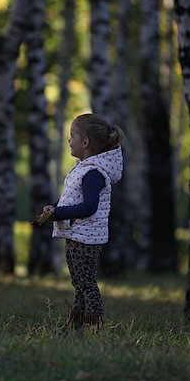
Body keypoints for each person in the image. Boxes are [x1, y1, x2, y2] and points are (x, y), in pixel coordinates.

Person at [42, 113, 124, 331]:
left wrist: (58, 214)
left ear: (85, 142)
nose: (69, 141)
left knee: (86, 283)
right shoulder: (83, 166)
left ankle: (93, 328)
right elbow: (72, 197)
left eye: (72, 136)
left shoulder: (93, 172)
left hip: (86, 238)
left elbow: (89, 207)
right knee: (79, 283)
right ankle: (74, 327)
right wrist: (54, 205)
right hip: (77, 234)